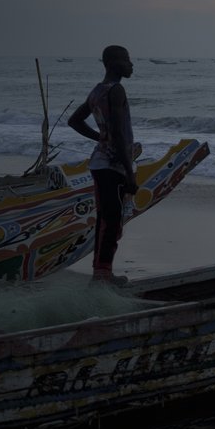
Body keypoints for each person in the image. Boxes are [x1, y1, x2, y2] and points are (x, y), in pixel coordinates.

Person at [67, 45, 139, 285]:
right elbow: (118, 132)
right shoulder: (116, 90)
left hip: (100, 163)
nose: (131, 64)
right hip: (112, 166)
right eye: (127, 60)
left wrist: (100, 137)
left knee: (106, 218)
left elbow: (74, 121)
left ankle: (102, 272)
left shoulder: (97, 91)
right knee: (112, 219)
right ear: (113, 63)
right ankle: (102, 274)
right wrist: (130, 173)